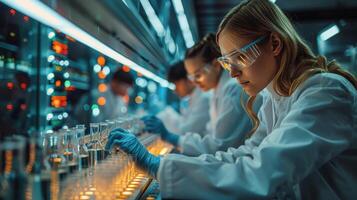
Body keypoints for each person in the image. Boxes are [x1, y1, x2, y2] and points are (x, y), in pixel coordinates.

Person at [106, 0, 357, 199]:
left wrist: (157, 165)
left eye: (240, 58)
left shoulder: (325, 93)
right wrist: (162, 166)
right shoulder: (275, 96)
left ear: (275, 43)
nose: (234, 72)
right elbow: (247, 155)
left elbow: (263, 172)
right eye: (227, 62)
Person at [143, 33, 260, 156]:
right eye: (191, 77)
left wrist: (172, 138)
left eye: (197, 75)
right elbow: (210, 134)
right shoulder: (216, 91)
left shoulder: (234, 90)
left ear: (216, 65)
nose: (194, 82)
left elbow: (221, 145)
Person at [156, 61, 211, 135]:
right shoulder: (193, 98)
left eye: (176, 84)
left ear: (188, 79)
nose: (175, 90)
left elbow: (188, 130)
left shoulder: (204, 99)